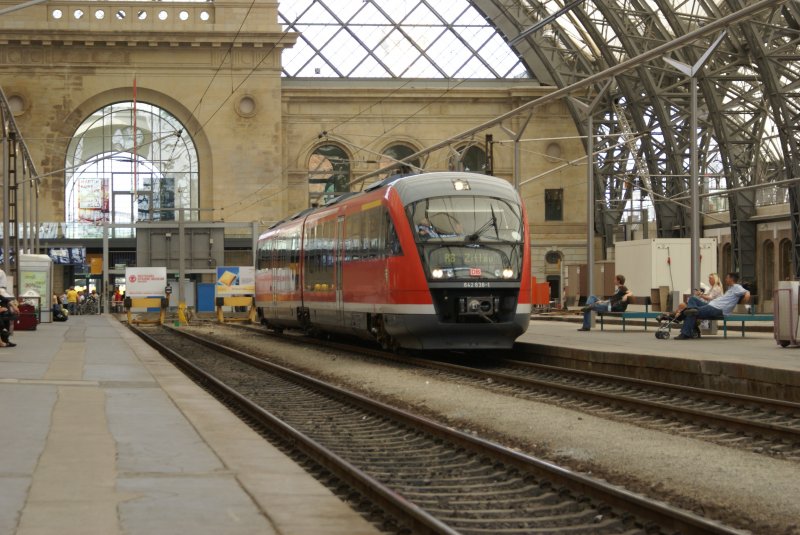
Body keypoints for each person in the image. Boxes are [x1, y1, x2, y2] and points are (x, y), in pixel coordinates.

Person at [676, 272, 750, 340]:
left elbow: (746, 293)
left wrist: (744, 300)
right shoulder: (730, 288)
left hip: (717, 308)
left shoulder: (737, 287)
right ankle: (687, 319)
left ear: (731, 279)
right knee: (692, 300)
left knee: (691, 312)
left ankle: (685, 332)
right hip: (712, 305)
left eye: (727, 278)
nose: (725, 279)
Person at [658, 272, 724, 322]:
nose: (709, 280)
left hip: (712, 307)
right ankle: (674, 315)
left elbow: (710, 298)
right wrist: (701, 294)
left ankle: (674, 316)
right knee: (682, 305)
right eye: (709, 278)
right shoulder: (712, 288)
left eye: (710, 278)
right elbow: (707, 297)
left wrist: (701, 295)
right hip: (708, 305)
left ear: (715, 279)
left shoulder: (716, 288)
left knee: (690, 301)